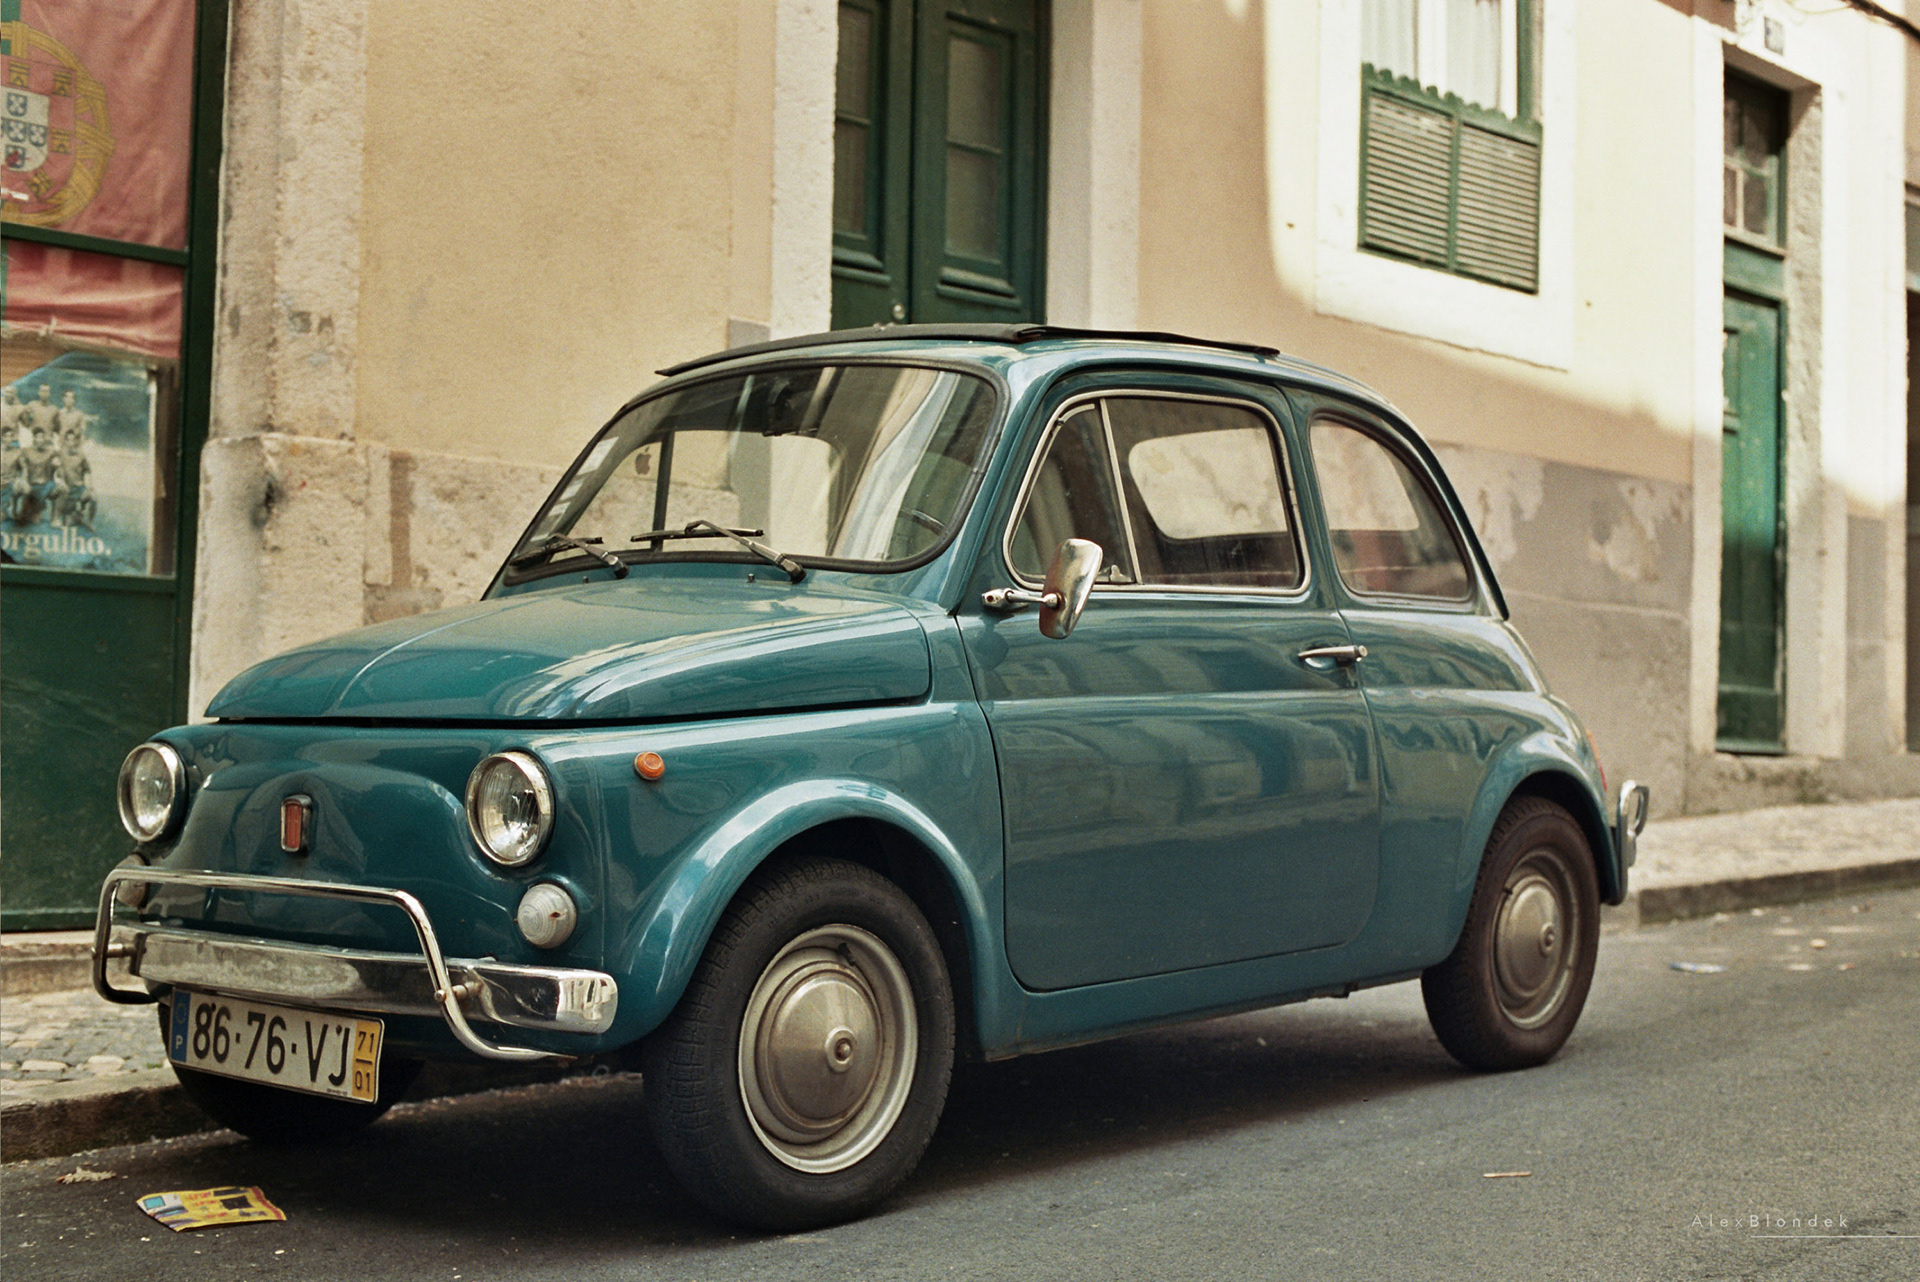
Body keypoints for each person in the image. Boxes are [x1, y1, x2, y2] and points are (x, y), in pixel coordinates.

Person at [9, 423, 67, 525]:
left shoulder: (51, 452)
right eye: (37, 437)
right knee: (17, 487)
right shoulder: (26, 451)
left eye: (42, 437)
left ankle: (55, 518)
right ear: (34, 438)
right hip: (31, 485)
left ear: (45, 439)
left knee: (63, 488)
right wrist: (21, 480)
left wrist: (59, 474)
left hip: (47, 485)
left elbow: (59, 467)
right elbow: (20, 468)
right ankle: (15, 511)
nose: (40, 440)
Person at [54, 421, 95, 529]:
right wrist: (59, 481)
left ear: (76, 441)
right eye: (68, 439)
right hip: (67, 488)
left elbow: (88, 471)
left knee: (93, 498)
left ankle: (90, 523)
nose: (71, 442)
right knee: (68, 523)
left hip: (79, 488)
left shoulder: (81, 455)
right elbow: (54, 469)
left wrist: (90, 485)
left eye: (73, 439)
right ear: (65, 441)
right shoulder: (61, 453)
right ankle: (59, 517)